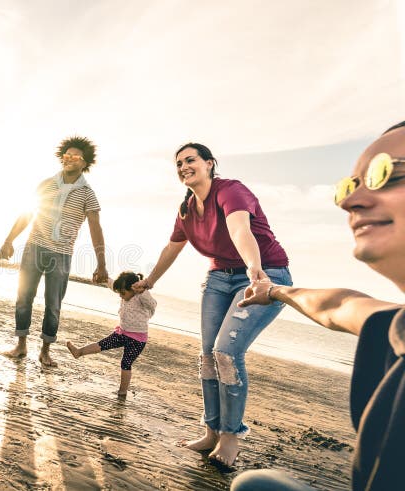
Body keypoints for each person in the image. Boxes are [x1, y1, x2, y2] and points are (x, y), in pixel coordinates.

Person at [231, 121, 405, 491]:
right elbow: (339, 304)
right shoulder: (398, 325)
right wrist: (275, 291)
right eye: (350, 185)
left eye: (384, 173)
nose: (349, 201)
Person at [133, 143, 292, 466]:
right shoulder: (187, 209)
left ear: (209, 164)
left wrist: (254, 270)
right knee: (207, 357)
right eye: (178, 163)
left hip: (265, 273)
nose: (183, 166)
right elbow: (172, 248)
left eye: (190, 160)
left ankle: (231, 437)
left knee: (226, 353)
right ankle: (211, 432)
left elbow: (239, 229)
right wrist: (149, 281)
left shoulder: (230, 191)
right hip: (219, 278)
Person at [0, 136, 108, 367]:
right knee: (23, 297)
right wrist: (9, 240)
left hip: (61, 254)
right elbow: (27, 213)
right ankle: (21, 345)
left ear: (84, 162)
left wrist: (101, 263)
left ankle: (45, 351)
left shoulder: (87, 193)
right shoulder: (47, 184)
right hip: (34, 248)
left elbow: (95, 226)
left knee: (54, 304)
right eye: (66, 155)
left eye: (75, 156)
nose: (69, 159)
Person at [66, 271, 156, 396]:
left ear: (134, 289)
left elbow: (153, 304)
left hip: (137, 339)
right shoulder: (124, 291)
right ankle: (78, 352)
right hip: (122, 333)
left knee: (126, 363)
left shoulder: (140, 296)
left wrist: (144, 291)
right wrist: (103, 278)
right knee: (102, 344)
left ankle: (123, 391)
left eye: (123, 293)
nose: (120, 296)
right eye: (119, 292)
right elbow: (112, 284)